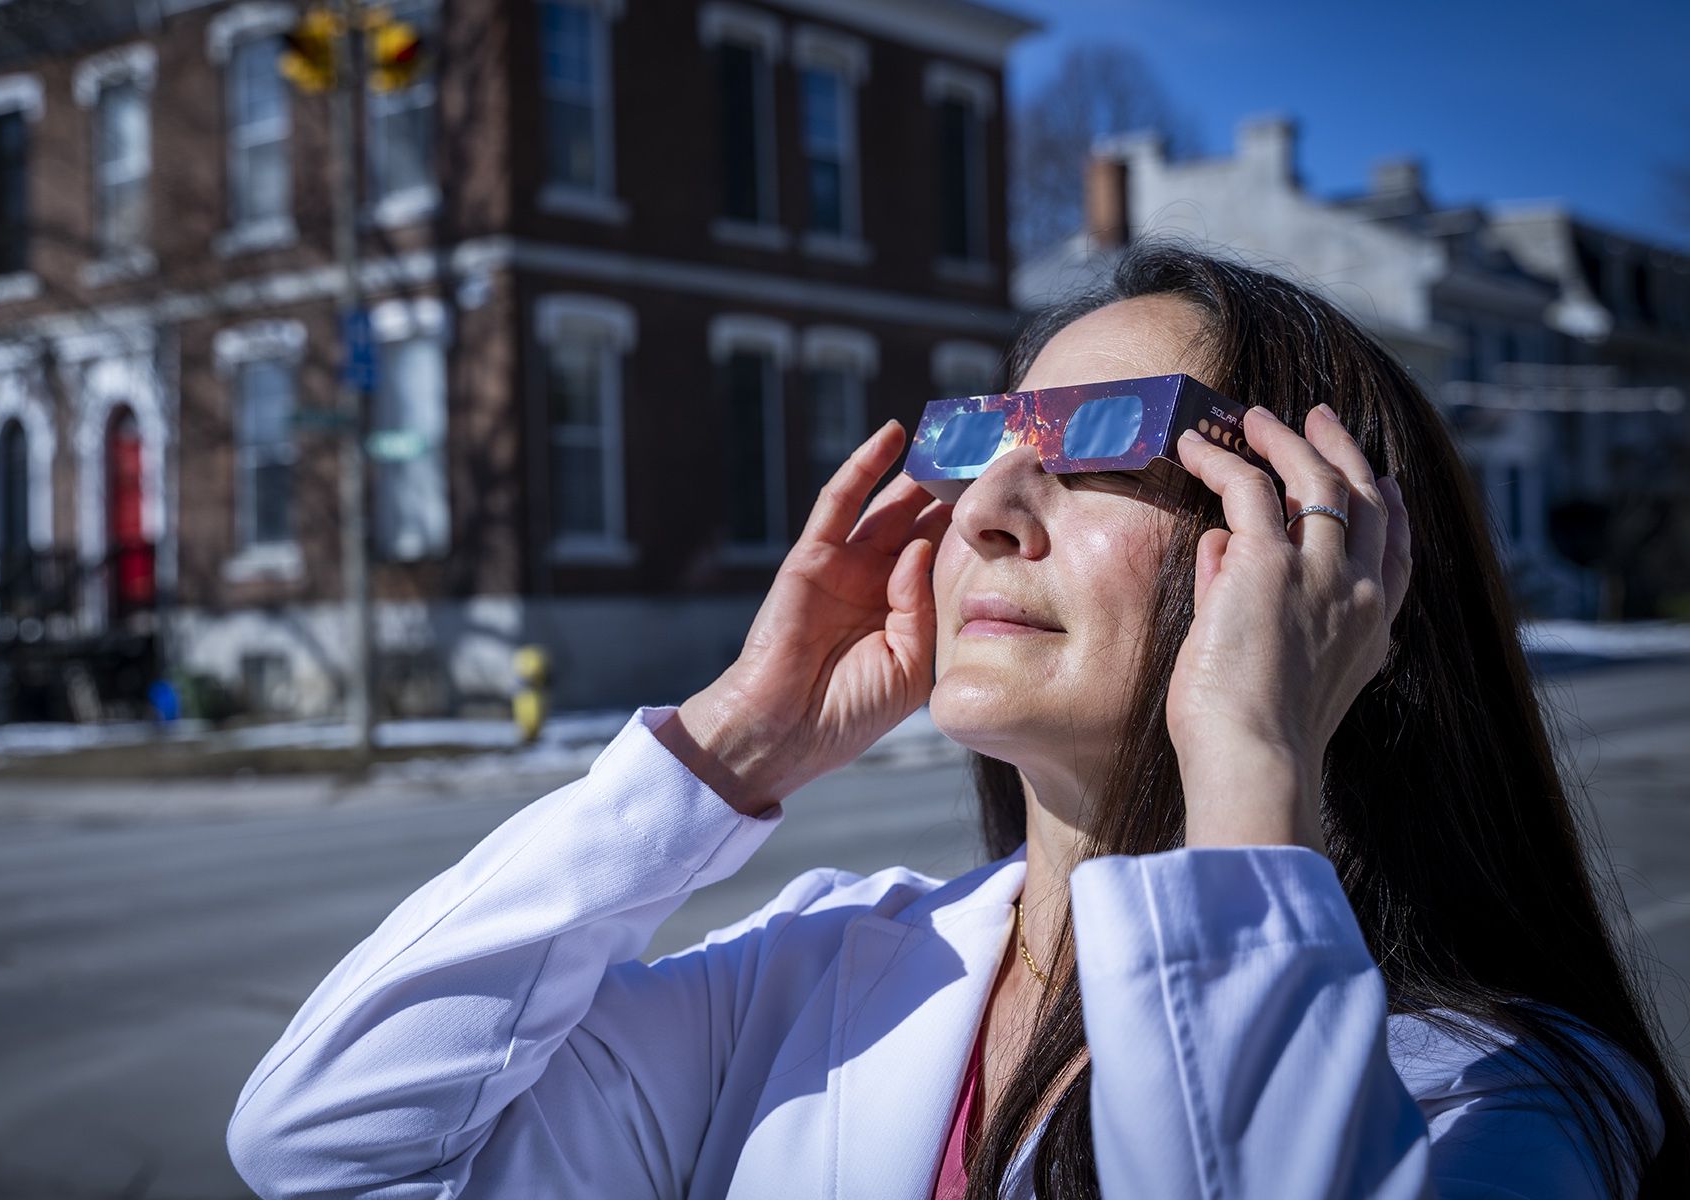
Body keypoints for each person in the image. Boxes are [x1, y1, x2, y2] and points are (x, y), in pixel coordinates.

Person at [226, 244, 1689, 1199]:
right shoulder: (826, 968)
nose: (985, 510)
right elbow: (330, 1146)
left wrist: (1252, 759)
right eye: (981, 443)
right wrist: (731, 747)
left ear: (1328, 555)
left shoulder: (1493, 1104)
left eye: (1105, 442)